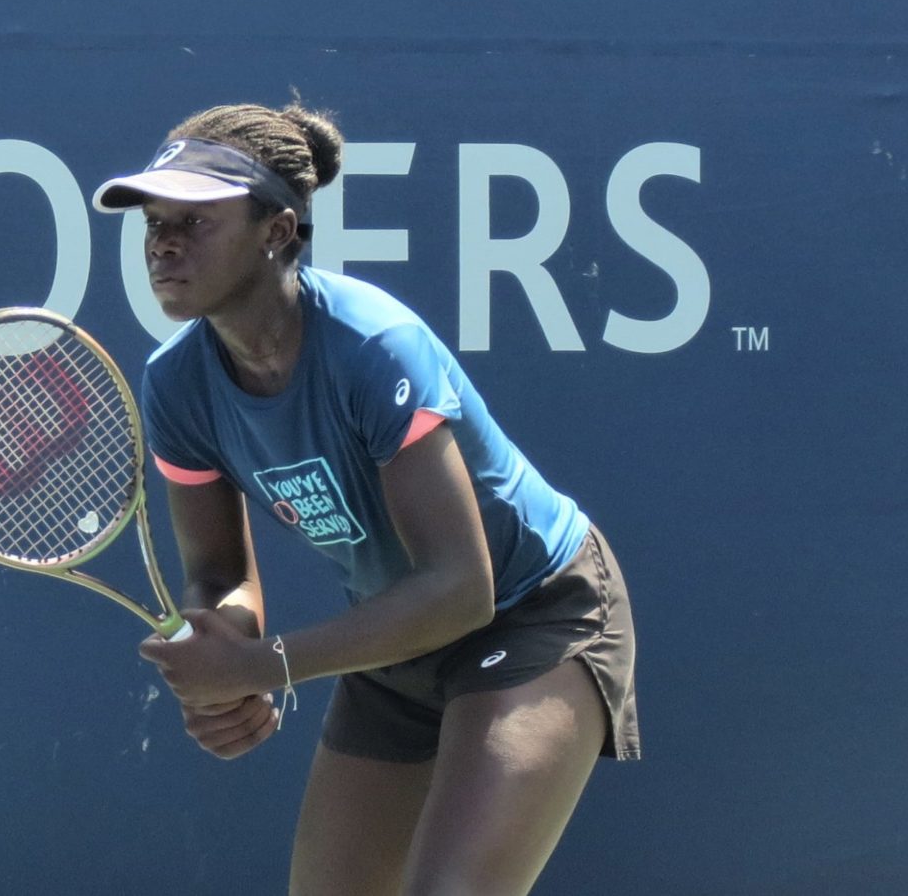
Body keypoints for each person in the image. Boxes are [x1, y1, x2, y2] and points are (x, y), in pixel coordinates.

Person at [92, 102, 639, 896]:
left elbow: (460, 588)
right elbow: (217, 572)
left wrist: (263, 665)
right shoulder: (174, 382)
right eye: (154, 224)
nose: (164, 243)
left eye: (195, 220)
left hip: (532, 614)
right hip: (396, 647)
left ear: (276, 231)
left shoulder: (370, 346)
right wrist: (226, 647)